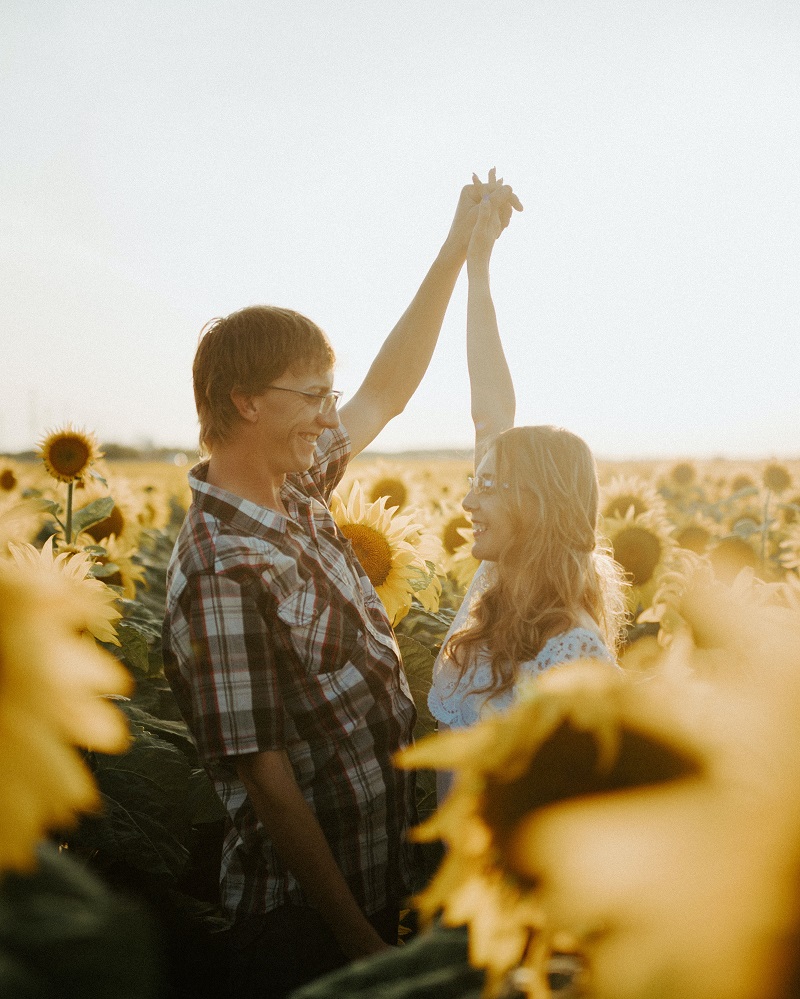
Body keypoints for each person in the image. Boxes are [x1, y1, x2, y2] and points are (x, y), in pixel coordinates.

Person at [161, 175, 522, 999]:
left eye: (329, 395)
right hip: (305, 922)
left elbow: (388, 390)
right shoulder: (221, 564)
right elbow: (266, 776)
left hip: (379, 866)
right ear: (244, 400)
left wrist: (459, 250)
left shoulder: (295, 489)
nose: (332, 417)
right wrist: (355, 935)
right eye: (313, 396)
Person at [428, 179, 627, 799]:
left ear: (535, 506)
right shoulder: (494, 593)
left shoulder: (573, 651)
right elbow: (490, 407)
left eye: (488, 485)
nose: (466, 502)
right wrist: (477, 266)